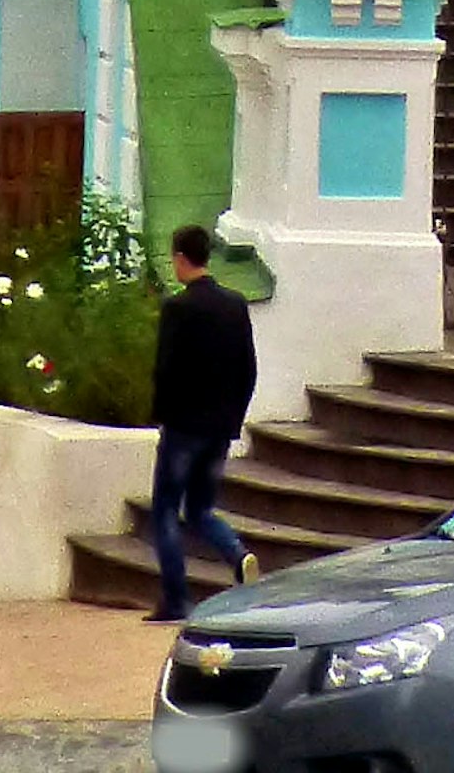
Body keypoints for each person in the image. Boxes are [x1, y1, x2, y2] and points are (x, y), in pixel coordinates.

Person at [149, 220, 258, 618]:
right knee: (201, 510)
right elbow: (248, 368)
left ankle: (176, 599)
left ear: (180, 258)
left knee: (165, 510)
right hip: (219, 428)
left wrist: (160, 414)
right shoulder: (235, 305)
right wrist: (234, 418)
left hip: (183, 426)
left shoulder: (178, 308)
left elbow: (166, 368)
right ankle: (238, 553)